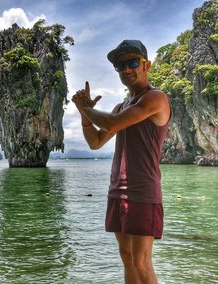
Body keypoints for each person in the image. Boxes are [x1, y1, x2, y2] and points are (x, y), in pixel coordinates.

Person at [72, 39, 171, 284]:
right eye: (120, 66)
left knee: (141, 261)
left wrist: (86, 109)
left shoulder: (155, 99)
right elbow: (95, 142)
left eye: (132, 62)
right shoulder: (122, 106)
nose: (126, 69)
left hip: (142, 191)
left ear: (146, 65)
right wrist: (85, 117)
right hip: (118, 191)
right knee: (127, 257)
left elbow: (113, 124)